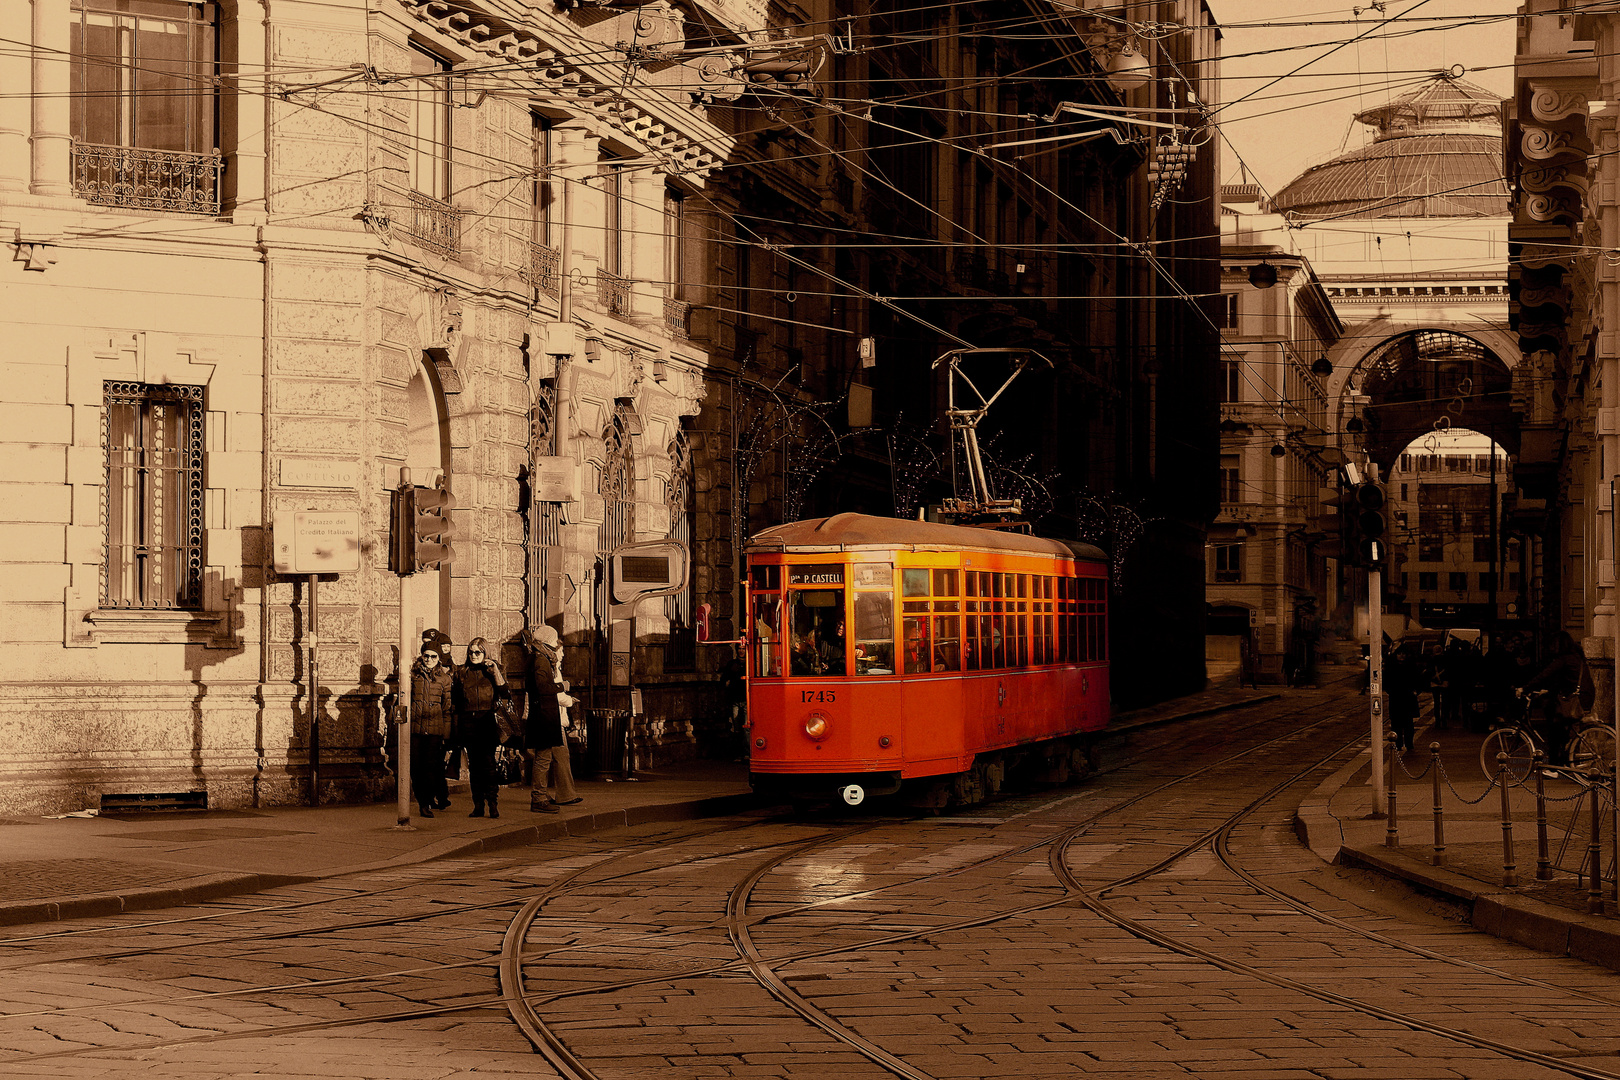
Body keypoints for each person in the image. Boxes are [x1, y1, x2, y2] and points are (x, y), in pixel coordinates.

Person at [523, 624, 581, 812]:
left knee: (544, 757)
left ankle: (540, 796)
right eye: (554, 641)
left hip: (543, 715)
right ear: (548, 641)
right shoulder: (541, 660)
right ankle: (539, 798)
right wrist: (562, 686)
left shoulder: (537, 657)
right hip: (544, 717)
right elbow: (542, 688)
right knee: (543, 759)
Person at [1522, 631, 1594, 768]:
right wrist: (1549, 690)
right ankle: (1565, 757)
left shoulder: (1564, 659)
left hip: (1575, 701)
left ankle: (1554, 766)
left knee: (1554, 728)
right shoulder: (1577, 657)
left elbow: (1544, 675)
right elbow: (1564, 680)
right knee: (1561, 727)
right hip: (1584, 698)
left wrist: (1525, 688)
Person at [453, 636, 507, 819]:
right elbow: (456, 701)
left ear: (485, 652)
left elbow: (505, 692)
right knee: (474, 767)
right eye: (471, 652)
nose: (474, 655)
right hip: (468, 722)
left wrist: (495, 671)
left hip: (487, 722)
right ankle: (478, 805)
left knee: (488, 764)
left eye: (478, 652)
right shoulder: (462, 672)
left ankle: (493, 803)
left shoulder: (493, 670)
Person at [408, 644, 454, 817]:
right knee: (415, 768)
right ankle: (423, 801)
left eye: (433, 657)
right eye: (426, 656)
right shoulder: (413, 676)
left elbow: (447, 708)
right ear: (421, 656)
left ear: (439, 659)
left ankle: (427, 801)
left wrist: (446, 735)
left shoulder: (444, 679)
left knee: (430, 767)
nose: (429, 660)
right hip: (415, 730)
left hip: (435, 730)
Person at [719, 647, 747, 761]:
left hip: (746, 699)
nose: (741, 651)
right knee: (736, 727)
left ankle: (747, 753)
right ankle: (738, 753)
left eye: (743, 649)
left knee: (746, 727)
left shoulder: (751, 663)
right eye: (739, 649)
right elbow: (724, 680)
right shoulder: (732, 664)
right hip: (735, 699)